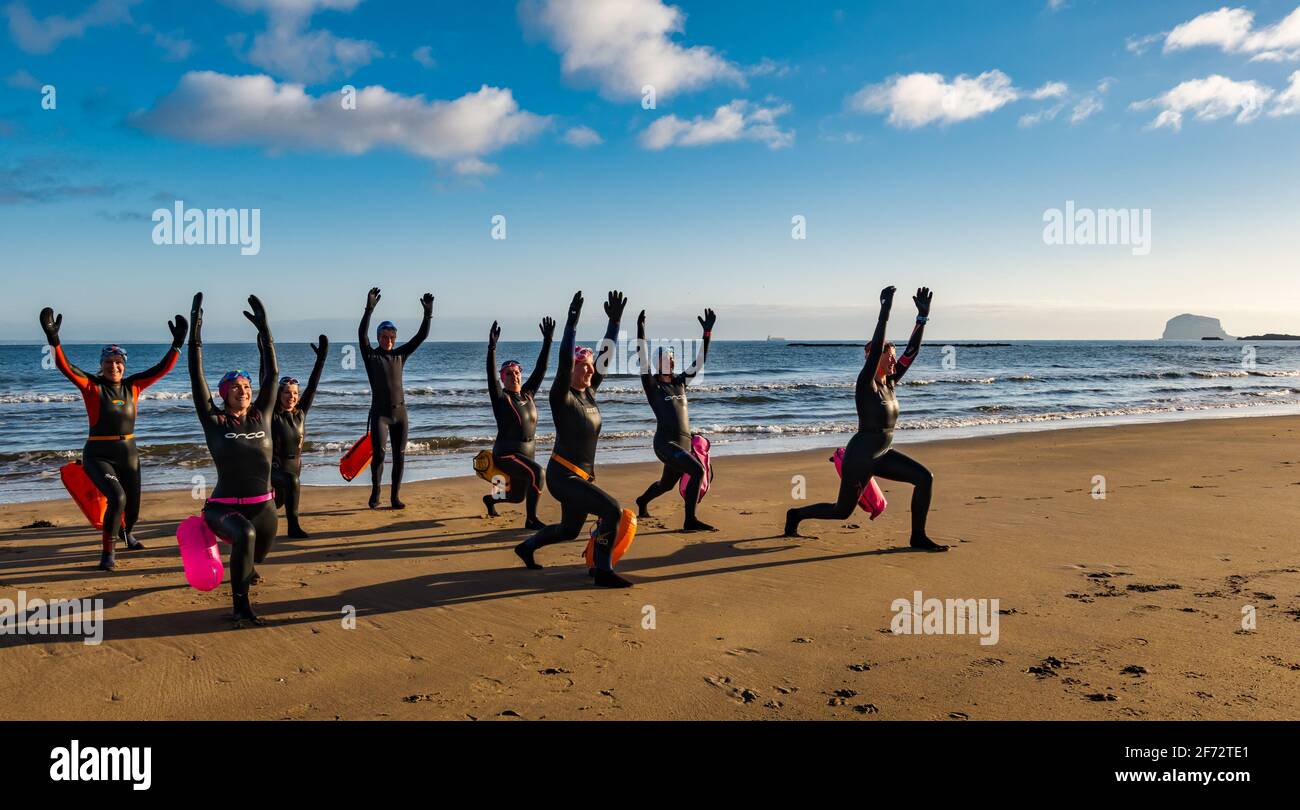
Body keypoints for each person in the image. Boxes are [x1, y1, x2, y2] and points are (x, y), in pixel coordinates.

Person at [784, 286, 945, 551]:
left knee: (925, 478)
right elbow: (879, 346)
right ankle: (795, 515)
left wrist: (922, 318)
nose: (894, 362)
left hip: (883, 453)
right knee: (841, 511)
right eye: (889, 357)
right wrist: (885, 311)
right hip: (859, 458)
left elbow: (912, 352)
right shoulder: (866, 383)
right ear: (874, 357)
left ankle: (918, 537)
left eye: (894, 358)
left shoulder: (890, 382)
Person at [39, 307, 186, 571]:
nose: (114, 366)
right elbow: (65, 366)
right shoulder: (91, 386)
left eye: (118, 362)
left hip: (128, 452)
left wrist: (177, 344)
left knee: (133, 509)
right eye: (109, 361)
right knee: (117, 498)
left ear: (124, 365)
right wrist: (53, 338)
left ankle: (127, 533)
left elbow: (162, 369)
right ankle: (107, 554)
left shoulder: (134, 386)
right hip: (98, 453)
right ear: (102, 364)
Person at [514, 291, 633, 588]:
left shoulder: (590, 392)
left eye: (591, 366)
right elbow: (564, 362)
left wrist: (614, 323)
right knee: (611, 510)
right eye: (583, 366)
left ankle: (526, 547)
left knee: (569, 530)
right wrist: (571, 324)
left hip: (581, 476)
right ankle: (602, 571)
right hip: (562, 475)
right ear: (571, 371)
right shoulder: (561, 397)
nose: (590, 370)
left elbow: (606, 355)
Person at [188, 292, 281, 625]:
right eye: (235, 387)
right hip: (223, 508)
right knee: (245, 535)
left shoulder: (262, 416)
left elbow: (272, 375)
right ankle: (241, 606)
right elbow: (196, 379)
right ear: (222, 393)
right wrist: (195, 334)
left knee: (255, 554)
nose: (243, 390)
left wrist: (265, 331)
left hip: (265, 508)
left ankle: (245, 568)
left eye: (246, 386)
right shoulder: (215, 421)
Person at [633, 307, 716, 531]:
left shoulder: (680, 382)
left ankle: (642, 501)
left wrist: (707, 333)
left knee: (666, 485)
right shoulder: (653, 386)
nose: (667, 362)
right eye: (662, 359)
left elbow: (700, 361)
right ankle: (690, 520)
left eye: (670, 358)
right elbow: (641, 357)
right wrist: (640, 329)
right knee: (697, 470)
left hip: (683, 445)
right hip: (665, 444)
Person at [358, 287, 433, 509]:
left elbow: (421, 336)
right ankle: (376, 491)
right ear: (378, 337)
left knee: (400, 456)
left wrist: (428, 314)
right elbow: (361, 334)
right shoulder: (371, 355)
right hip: (380, 415)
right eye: (384, 336)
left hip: (400, 414)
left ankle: (395, 497)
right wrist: (369, 309)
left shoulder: (401, 355)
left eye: (392, 337)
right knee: (379, 455)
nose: (389, 340)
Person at [484, 316, 555, 528]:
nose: (514, 376)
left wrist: (548, 341)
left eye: (517, 373)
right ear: (502, 377)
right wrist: (492, 348)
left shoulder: (528, 394)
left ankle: (490, 500)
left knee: (517, 498)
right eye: (508, 374)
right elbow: (490, 375)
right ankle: (531, 520)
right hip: (507, 454)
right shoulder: (501, 398)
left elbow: (541, 368)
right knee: (538, 473)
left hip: (527, 453)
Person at [272, 335, 328, 538]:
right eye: (287, 392)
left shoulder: (300, 413)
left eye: (295, 393)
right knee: (286, 488)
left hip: (295, 467)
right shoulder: (272, 414)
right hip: (274, 470)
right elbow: (267, 377)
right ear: (278, 395)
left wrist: (320, 360)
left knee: (277, 503)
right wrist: (265, 348)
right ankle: (293, 527)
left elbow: (312, 386)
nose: (292, 397)